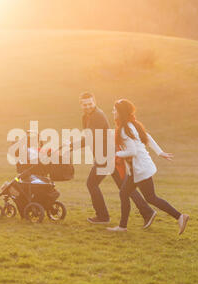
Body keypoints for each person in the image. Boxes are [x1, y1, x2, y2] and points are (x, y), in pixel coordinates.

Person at [107, 99, 189, 235]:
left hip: (139, 168)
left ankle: (179, 216)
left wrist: (117, 153)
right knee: (134, 194)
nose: (113, 112)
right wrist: (159, 152)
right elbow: (147, 137)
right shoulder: (132, 124)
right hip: (141, 167)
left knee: (146, 196)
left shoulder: (124, 129)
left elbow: (132, 151)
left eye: (115, 110)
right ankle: (179, 217)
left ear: (120, 112)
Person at [78, 92, 156, 226]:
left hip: (108, 156)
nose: (88, 106)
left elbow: (89, 138)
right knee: (124, 187)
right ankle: (147, 212)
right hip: (106, 156)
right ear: (81, 105)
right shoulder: (86, 117)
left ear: (94, 102)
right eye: (85, 104)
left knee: (92, 183)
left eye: (90, 103)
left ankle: (102, 216)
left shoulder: (98, 115)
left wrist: (69, 146)